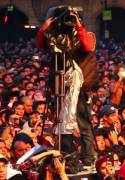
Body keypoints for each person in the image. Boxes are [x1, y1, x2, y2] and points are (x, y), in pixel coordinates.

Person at [37, 5, 98, 165]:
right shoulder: (55, 37)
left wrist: (78, 24)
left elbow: (87, 46)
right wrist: (47, 26)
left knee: (83, 123)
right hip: (60, 85)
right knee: (63, 122)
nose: (66, 22)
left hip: (79, 87)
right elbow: (41, 45)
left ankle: (88, 157)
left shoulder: (86, 34)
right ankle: (68, 155)